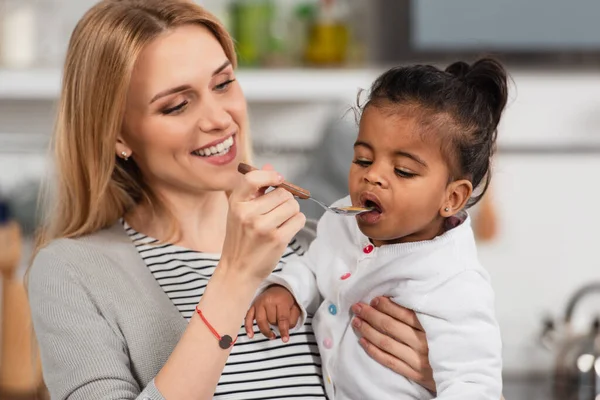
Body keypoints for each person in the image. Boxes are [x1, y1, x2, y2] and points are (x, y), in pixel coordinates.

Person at [26, 1, 435, 399]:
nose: (219, 118)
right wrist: (237, 273)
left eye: (223, 83)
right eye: (176, 105)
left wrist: (439, 377)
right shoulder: (73, 273)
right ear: (117, 135)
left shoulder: (325, 248)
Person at [247, 59, 508, 399]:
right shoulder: (341, 220)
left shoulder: (454, 281)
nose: (372, 176)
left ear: (452, 197)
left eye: (402, 170)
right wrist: (288, 289)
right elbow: (315, 264)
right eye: (364, 160)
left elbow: (475, 385)